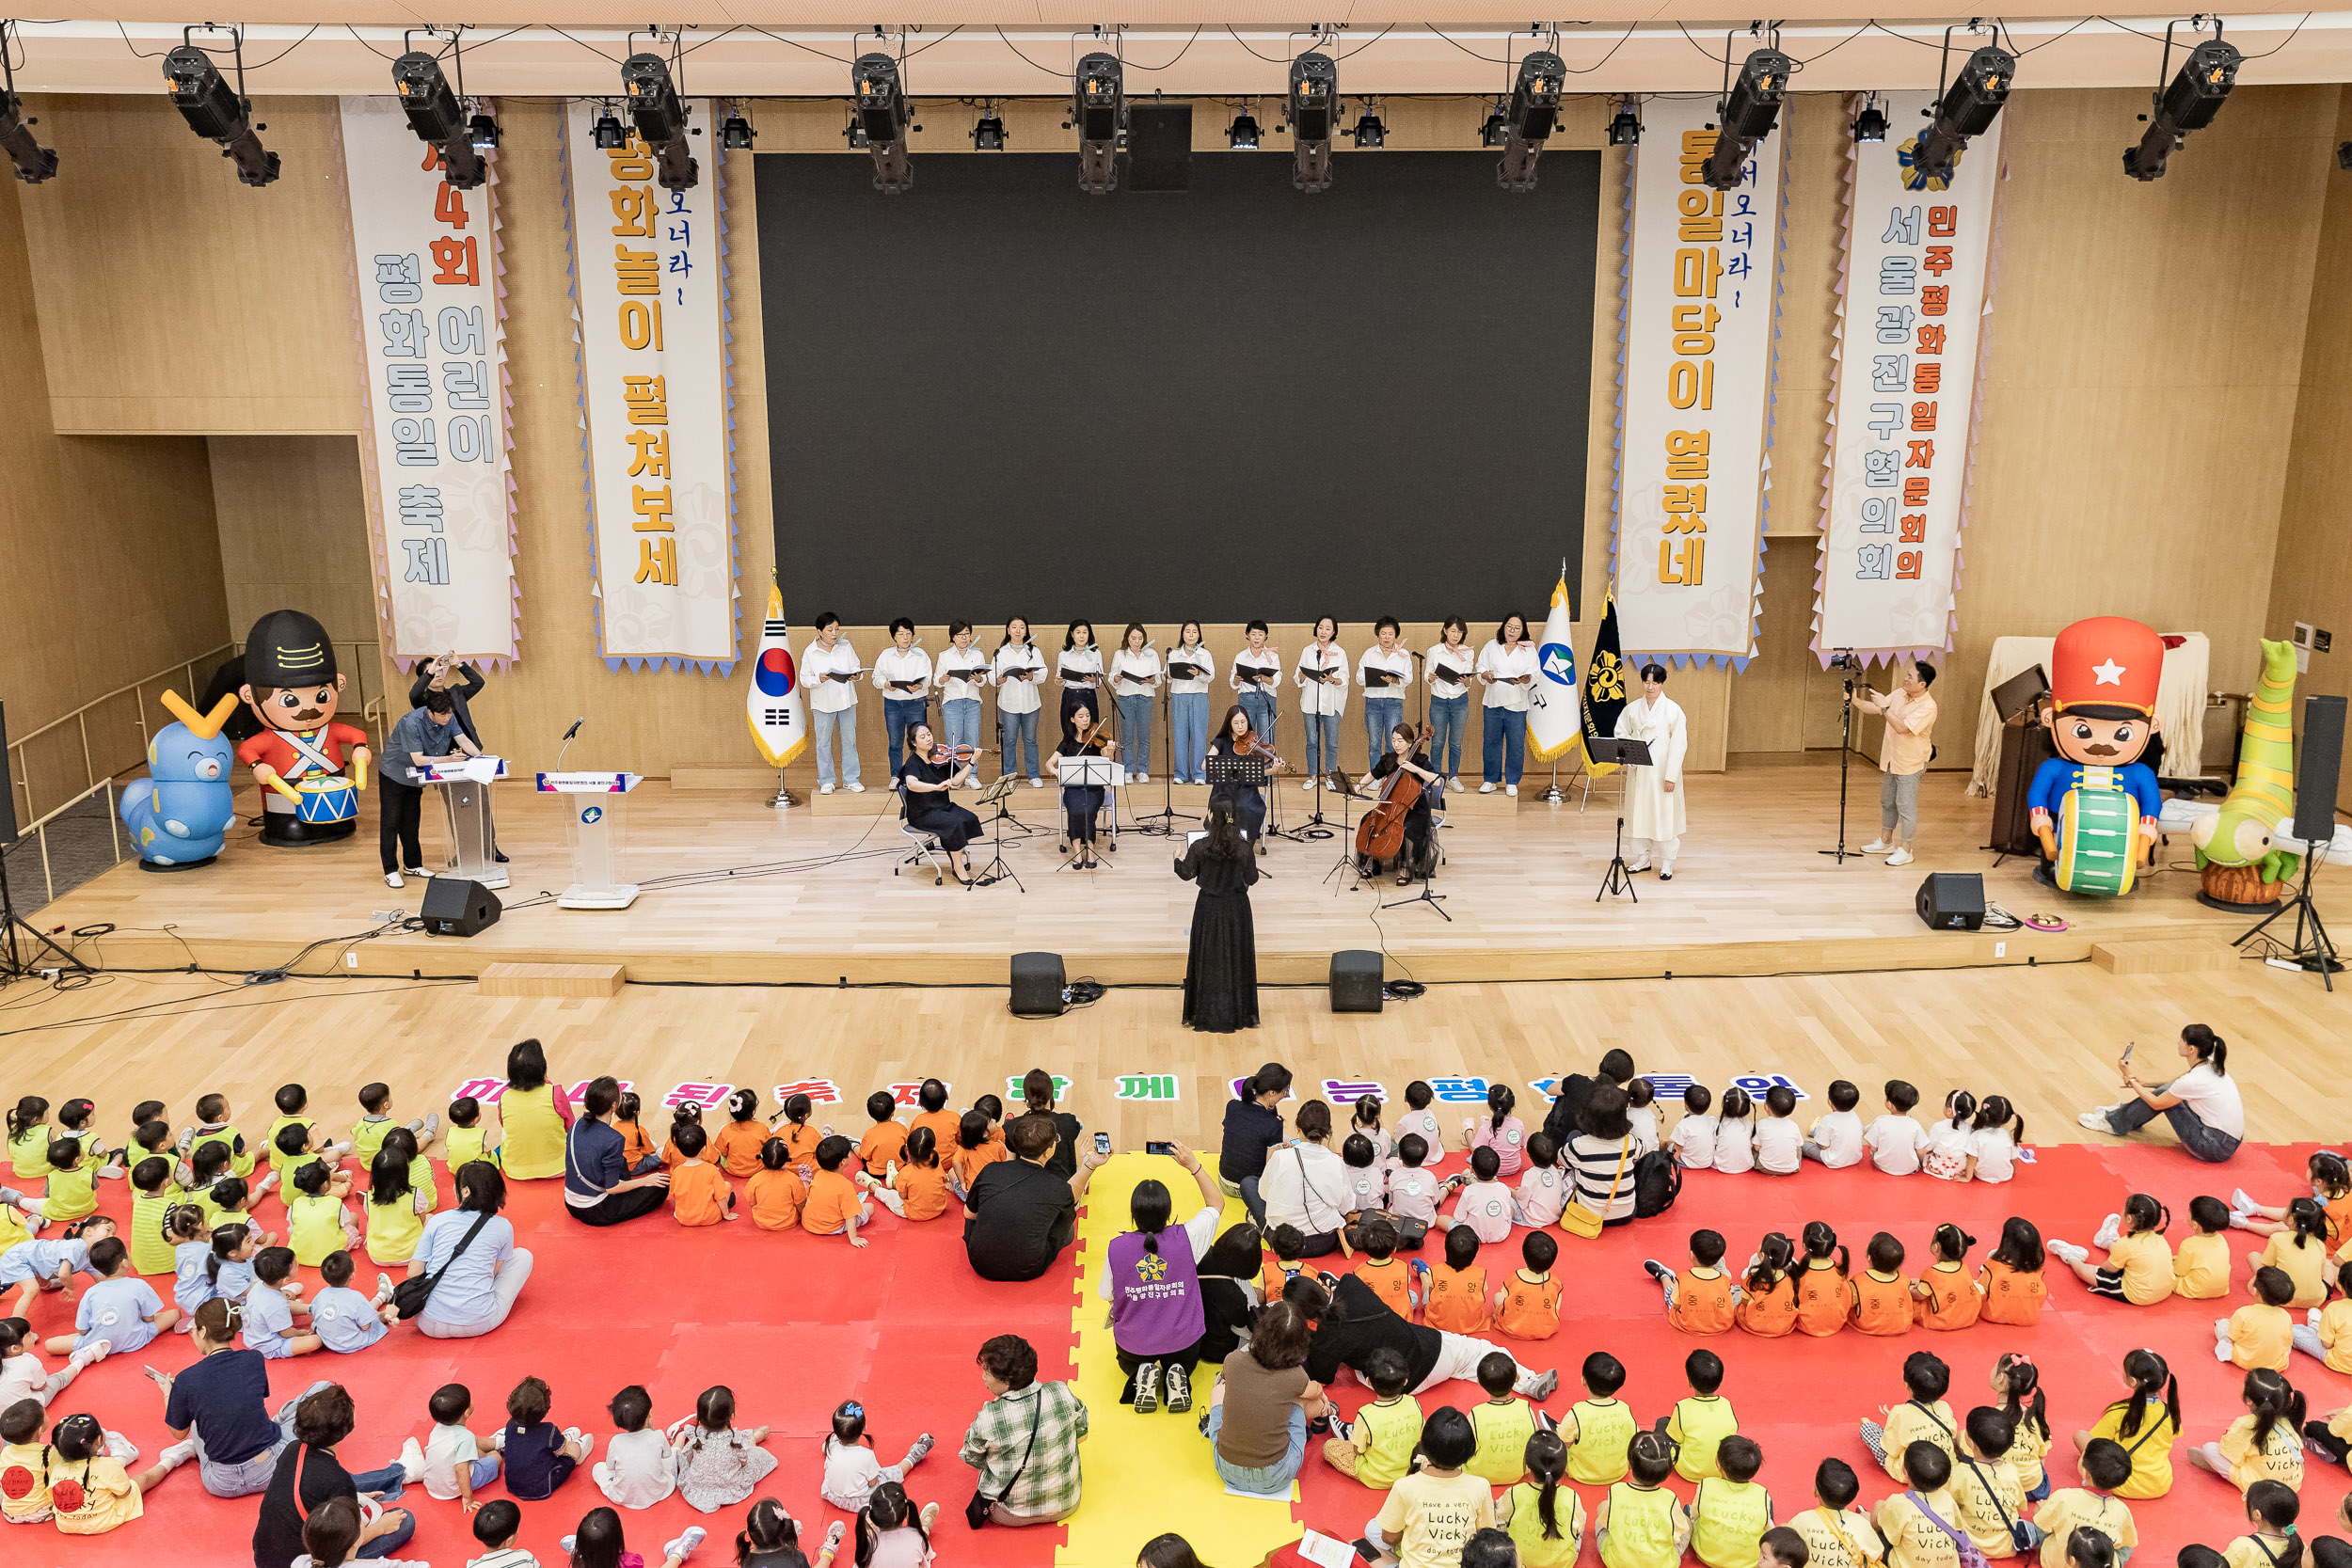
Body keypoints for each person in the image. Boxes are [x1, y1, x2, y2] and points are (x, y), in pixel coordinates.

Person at [152, 1298, 323, 1497]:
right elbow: (254, 1400)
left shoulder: (185, 1380)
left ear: (203, 1331)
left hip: (220, 1484)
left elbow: (179, 1433)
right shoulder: (254, 1359)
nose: (192, 1333)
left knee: (199, 1422)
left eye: (194, 1329)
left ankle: (190, 1451)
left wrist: (169, 1395)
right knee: (322, 1389)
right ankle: (279, 1419)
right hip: (270, 1472)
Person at [1101, 1148, 1225, 1414]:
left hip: (1134, 1346)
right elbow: (1216, 1204)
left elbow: (1107, 1295)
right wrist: (1193, 1165)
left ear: (1133, 1215)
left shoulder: (1116, 1247)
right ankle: (1177, 1372)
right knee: (1185, 1362)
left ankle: (1140, 1371)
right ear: (1168, 1212)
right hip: (1185, 1344)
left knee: (1127, 1361)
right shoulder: (1188, 1237)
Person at [251, 1384, 416, 1567]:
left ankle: (400, 1472)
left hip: (264, 1556)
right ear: (345, 1429)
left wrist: (354, 1496)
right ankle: (403, 1471)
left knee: (348, 1482)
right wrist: (380, 1528)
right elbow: (346, 1545)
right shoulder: (339, 1481)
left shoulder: (293, 1449)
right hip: (309, 1560)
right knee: (406, 1520)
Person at [959, 1334, 1088, 1527]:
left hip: (1011, 1513)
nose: (983, 1377)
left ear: (1005, 1381)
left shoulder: (988, 1417)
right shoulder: (1062, 1392)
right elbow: (1082, 1434)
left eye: (987, 1372)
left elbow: (973, 1460)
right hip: (1067, 1503)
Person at [1205, 1300, 1327, 1495]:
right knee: (1300, 1403)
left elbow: (1227, 1382)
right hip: (1276, 1477)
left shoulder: (1234, 1359)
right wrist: (1322, 1396)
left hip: (1227, 1470)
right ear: (1301, 1343)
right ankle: (1326, 1412)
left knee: (1219, 1390)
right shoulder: (1295, 1375)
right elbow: (1315, 1391)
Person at [963, 1115, 1104, 1282]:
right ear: (1048, 1151)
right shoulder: (1056, 1187)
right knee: (1068, 1230)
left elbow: (969, 1214)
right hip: (1029, 1268)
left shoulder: (991, 1170)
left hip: (980, 1263)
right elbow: (1070, 1194)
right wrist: (1091, 1164)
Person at [2078, 1022, 2244, 1163]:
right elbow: (2179, 1081)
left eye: (2182, 1040)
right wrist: (2143, 1083)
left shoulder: (2193, 1081)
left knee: (2163, 1096)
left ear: (2191, 1049)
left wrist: (2130, 1078)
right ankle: (2122, 1115)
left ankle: (2114, 1123)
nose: (2179, 1042)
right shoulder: (2210, 1064)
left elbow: (2156, 1103)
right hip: (2228, 1142)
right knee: (2168, 1092)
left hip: (2213, 1147)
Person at [406, 1161, 530, 1338]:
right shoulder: (503, 1226)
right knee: (523, 1256)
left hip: (428, 1323)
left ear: (465, 1191)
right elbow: (493, 1273)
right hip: (479, 1322)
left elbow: (414, 1273)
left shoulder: (437, 1220)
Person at [377, 687, 480, 889]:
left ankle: (413, 864)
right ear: (429, 712)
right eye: (442, 715)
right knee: (391, 821)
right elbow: (418, 758)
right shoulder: (411, 722)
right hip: (395, 774)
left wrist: (482, 759)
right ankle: (390, 870)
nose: (446, 719)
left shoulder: (449, 716)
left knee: (411, 820)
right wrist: (449, 759)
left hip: (416, 777)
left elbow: (463, 740)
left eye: (449, 714)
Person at [1177, 803, 1260, 1033]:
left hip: (1208, 909)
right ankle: (1238, 1011)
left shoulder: (1199, 847)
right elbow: (1252, 878)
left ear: (1211, 816)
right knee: (1237, 955)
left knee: (1207, 956)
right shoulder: (1244, 848)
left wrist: (1176, 859)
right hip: (1237, 910)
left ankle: (1205, 1009)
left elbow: (1186, 873)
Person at [1855, 660, 1938, 868]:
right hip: (1893, 758)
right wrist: (1854, 700)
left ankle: (1906, 850)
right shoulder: (1900, 694)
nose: (1906, 678)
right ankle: (1885, 841)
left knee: (1905, 806)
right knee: (1887, 801)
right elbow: (1874, 709)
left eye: (1911, 676)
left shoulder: (1928, 707)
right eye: (1907, 674)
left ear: (1923, 684)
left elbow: (1902, 727)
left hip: (1912, 762)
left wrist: (1884, 708)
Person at [564, 1077, 672, 1227]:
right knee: (662, 1184)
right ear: (614, 1105)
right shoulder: (613, 1139)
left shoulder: (577, 1124)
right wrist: (645, 1180)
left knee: (620, 1160)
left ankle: (626, 1187)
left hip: (570, 1202)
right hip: (596, 1210)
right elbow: (611, 1188)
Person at [1613, 662, 1688, 878]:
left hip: (1663, 772)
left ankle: (1667, 862)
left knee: (1664, 815)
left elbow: (1679, 744)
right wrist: (1631, 756)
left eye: (1655, 682)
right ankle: (1643, 858)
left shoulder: (1673, 710)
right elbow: (1622, 732)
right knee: (1638, 814)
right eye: (1646, 682)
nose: (1650, 687)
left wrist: (1671, 776)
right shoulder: (1632, 709)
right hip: (1640, 772)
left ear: (1662, 683)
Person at [1261, 1101, 1352, 1258]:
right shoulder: (1335, 1161)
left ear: (1298, 1128)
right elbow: (1346, 1205)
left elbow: (1264, 1194)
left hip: (1284, 1243)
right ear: (1328, 1131)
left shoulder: (1281, 1157)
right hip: (1325, 1242)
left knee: (1248, 1184)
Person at [896, 721, 982, 884]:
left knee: (969, 818)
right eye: (922, 737)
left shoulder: (941, 757)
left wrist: (971, 763)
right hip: (922, 813)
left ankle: (954, 850)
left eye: (929, 734)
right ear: (914, 743)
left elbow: (956, 781)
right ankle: (958, 867)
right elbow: (912, 784)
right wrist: (935, 787)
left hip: (943, 807)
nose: (928, 738)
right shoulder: (913, 762)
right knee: (954, 823)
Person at [1357, 722, 1440, 884]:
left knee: (1406, 828)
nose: (1396, 744)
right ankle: (1374, 861)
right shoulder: (1389, 759)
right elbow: (1373, 774)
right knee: (1367, 820)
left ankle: (1406, 868)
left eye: (1400, 741)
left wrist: (1416, 770)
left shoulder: (1420, 760)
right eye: (1393, 740)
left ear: (1410, 742)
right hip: (1390, 805)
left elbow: (1437, 781)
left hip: (1415, 808)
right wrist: (1357, 787)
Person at [1047, 703, 1119, 869]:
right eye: (1081, 716)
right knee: (1076, 810)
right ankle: (1078, 851)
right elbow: (1049, 762)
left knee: (1088, 809)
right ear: (1072, 719)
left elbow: (1108, 761)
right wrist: (1054, 770)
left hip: (1094, 788)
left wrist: (1111, 750)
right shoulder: (1067, 742)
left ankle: (1091, 850)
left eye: (1087, 715)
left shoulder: (1097, 741)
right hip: (1073, 788)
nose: (1086, 719)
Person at [1219, 1064, 1292, 1226]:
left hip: (1224, 1181)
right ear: (1271, 1093)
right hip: (1248, 1189)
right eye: (1284, 1091)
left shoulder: (1232, 1106)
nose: (1285, 1094)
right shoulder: (1273, 1125)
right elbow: (1271, 1167)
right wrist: (1282, 1149)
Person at [1477, 612, 1537, 796]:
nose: (1512, 631)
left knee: (1516, 744)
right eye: (1509, 626)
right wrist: (1485, 675)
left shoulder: (1528, 649)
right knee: (1491, 742)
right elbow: (1480, 667)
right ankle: (1490, 780)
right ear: (1503, 626)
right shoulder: (1491, 645)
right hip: (1493, 702)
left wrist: (1526, 679)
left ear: (1523, 631)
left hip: (1517, 705)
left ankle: (1512, 781)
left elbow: (1535, 674)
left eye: (1517, 628)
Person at [803, 613, 864, 795]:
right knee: (823, 743)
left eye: (837, 629)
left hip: (847, 701)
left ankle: (851, 779)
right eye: (830, 630)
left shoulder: (846, 646)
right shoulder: (810, 651)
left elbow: (856, 667)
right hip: (823, 703)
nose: (835, 633)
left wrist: (857, 675)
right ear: (819, 631)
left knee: (850, 740)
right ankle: (826, 780)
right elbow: (804, 679)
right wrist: (818, 679)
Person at [1206, 705, 1281, 850]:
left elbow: (1256, 772)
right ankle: (1223, 844)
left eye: (1243, 722)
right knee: (1225, 807)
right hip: (1224, 789)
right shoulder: (1221, 741)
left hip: (1246, 789)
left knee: (1245, 807)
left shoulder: (1253, 741)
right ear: (1229, 724)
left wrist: (1272, 770)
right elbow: (1205, 764)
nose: (1240, 726)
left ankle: (1243, 846)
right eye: (1236, 723)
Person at [1564, 1085, 1640, 1229]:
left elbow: (1562, 1160)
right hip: (1627, 1214)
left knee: (1573, 1136)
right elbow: (1642, 1152)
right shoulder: (1631, 1141)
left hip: (1587, 1215)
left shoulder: (1579, 1145)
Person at [1293, 616, 1350, 788]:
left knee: (1331, 742)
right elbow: (1298, 676)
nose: (1323, 631)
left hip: (1332, 703)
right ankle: (1312, 776)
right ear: (1316, 629)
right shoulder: (1307, 651)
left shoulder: (1340, 652)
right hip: (1311, 702)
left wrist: (1332, 679)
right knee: (1312, 741)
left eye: (1327, 628)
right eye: (1320, 627)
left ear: (1333, 632)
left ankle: (1331, 777)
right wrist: (1301, 676)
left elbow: (1345, 678)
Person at [870, 618, 932, 776]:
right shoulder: (886, 655)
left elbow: (928, 678)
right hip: (893, 703)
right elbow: (876, 678)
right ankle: (896, 776)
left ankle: (916, 775)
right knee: (895, 741)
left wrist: (920, 685)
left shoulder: (921, 654)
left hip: (916, 702)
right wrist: (885, 684)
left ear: (913, 635)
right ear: (894, 637)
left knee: (918, 742)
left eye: (908, 633)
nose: (905, 637)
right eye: (901, 634)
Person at [991, 617, 1047, 786]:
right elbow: (991, 676)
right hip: (1008, 704)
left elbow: (1043, 673)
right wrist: (997, 680)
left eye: (1021, 627)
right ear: (1008, 630)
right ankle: (1009, 776)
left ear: (1026, 630)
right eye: (1014, 627)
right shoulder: (1000, 652)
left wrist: (1032, 676)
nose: (1017, 631)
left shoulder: (1034, 651)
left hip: (1031, 703)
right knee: (1009, 741)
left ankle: (1034, 775)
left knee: (1030, 740)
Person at [1426, 617, 1476, 793]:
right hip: (1439, 700)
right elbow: (1427, 676)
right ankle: (1436, 778)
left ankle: (1454, 777)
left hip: (1460, 700)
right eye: (1453, 631)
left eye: (1460, 632)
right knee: (1437, 742)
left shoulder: (1468, 652)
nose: (1456, 635)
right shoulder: (1434, 650)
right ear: (1445, 630)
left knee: (1455, 743)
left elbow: (1469, 680)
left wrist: (1466, 681)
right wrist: (1430, 677)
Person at [1110, 624, 1163, 781]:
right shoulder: (1120, 654)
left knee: (1144, 736)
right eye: (1133, 638)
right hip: (1126, 698)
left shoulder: (1152, 654)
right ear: (1127, 637)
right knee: (1126, 736)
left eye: (1140, 638)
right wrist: (1116, 678)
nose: (1137, 641)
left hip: (1145, 697)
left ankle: (1142, 770)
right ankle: (1127, 770)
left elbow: (1158, 678)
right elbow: (1112, 674)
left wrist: (1152, 680)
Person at [932, 620, 990, 760]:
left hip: (972, 702)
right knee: (954, 741)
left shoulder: (977, 655)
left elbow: (983, 681)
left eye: (967, 634)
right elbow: (936, 681)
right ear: (953, 637)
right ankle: (955, 774)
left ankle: (972, 775)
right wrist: (943, 679)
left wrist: (978, 678)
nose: (964, 638)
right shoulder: (944, 656)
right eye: (960, 635)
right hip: (952, 702)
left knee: (973, 740)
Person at [1359, 618, 1413, 765]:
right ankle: (1376, 776)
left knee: (1393, 742)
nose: (1387, 637)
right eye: (1384, 633)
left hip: (1393, 702)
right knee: (1374, 743)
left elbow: (1409, 678)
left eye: (1390, 633)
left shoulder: (1404, 654)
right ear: (1378, 634)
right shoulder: (1369, 653)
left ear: (1396, 635)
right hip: (1373, 702)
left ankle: (1390, 777)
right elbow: (1359, 678)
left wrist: (1395, 680)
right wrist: (1374, 678)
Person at [1167, 623, 1216, 784]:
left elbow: (1210, 677)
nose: (1191, 635)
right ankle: (1180, 773)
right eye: (1187, 631)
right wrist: (1169, 676)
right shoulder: (1174, 654)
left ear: (1199, 635)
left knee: (1199, 735)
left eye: (1194, 632)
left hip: (1199, 696)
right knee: (1180, 735)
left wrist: (1199, 673)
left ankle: (1199, 774)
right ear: (1182, 635)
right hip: (1179, 696)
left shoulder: (1205, 654)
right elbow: (1165, 676)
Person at [1231, 622, 1282, 752]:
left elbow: (1277, 681)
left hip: (1267, 698)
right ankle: (1248, 772)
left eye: (1260, 634)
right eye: (1253, 634)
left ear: (1266, 636)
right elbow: (1233, 683)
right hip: (1246, 698)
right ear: (1247, 635)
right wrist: (1236, 679)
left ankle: (1267, 772)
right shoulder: (1240, 656)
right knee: (1246, 738)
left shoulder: (1273, 657)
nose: (1257, 637)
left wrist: (1264, 679)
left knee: (1266, 740)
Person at [1057, 620, 1104, 727]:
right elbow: (1059, 678)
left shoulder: (1096, 654)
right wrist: (1059, 680)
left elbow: (1100, 679)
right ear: (1072, 634)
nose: (1081, 636)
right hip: (1070, 695)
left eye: (1085, 632)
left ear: (1089, 634)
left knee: (1090, 730)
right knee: (1069, 729)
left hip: (1088, 695)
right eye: (1078, 632)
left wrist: (1094, 680)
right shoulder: (1063, 655)